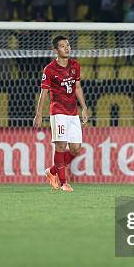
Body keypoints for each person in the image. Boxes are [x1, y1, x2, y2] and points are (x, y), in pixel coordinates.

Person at [33, 35, 88, 193]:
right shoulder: (49, 69)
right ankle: (64, 182)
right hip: (58, 111)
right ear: (55, 50)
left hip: (73, 112)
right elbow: (44, 93)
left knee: (76, 148)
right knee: (61, 146)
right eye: (63, 46)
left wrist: (84, 107)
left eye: (68, 45)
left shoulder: (75, 66)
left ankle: (51, 171)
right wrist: (39, 114)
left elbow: (77, 87)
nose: (67, 48)